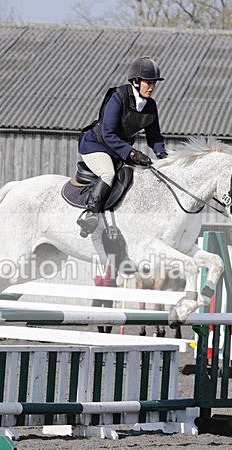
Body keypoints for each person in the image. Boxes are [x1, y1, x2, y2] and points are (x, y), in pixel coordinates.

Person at [77, 56, 169, 237]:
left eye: (154, 83)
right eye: (148, 83)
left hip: (118, 151)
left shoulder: (150, 106)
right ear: (135, 81)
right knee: (108, 174)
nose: (151, 87)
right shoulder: (118, 97)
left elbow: (154, 136)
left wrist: (163, 154)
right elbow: (108, 134)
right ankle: (90, 214)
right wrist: (132, 153)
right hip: (96, 146)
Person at [91, 264, 117, 334]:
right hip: (100, 286)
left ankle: (107, 333)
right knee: (95, 310)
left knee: (108, 312)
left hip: (108, 286)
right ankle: (101, 331)